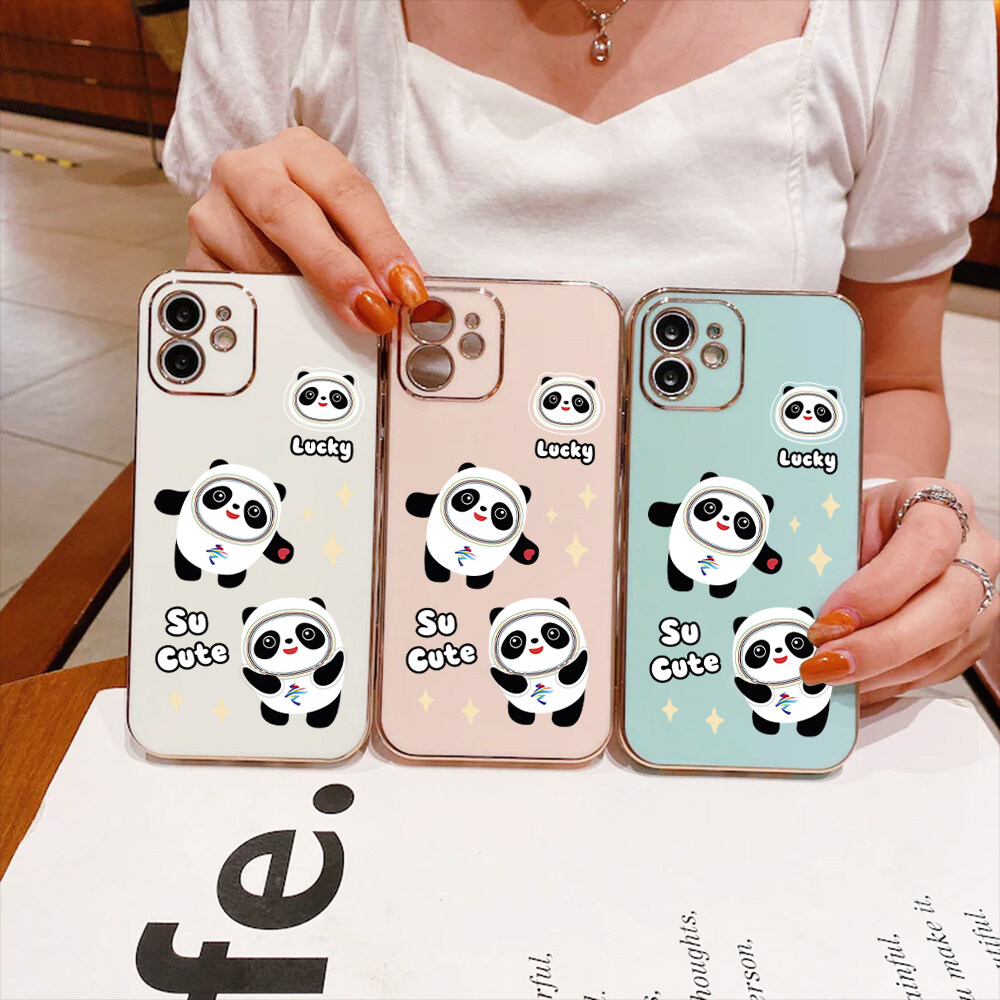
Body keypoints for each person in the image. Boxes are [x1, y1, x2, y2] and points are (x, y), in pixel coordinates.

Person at [164, 0, 999, 710]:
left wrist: (887, 529)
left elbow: (892, 381)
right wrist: (233, 315)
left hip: (728, 673)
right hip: (384, 655)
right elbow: (240, 398)